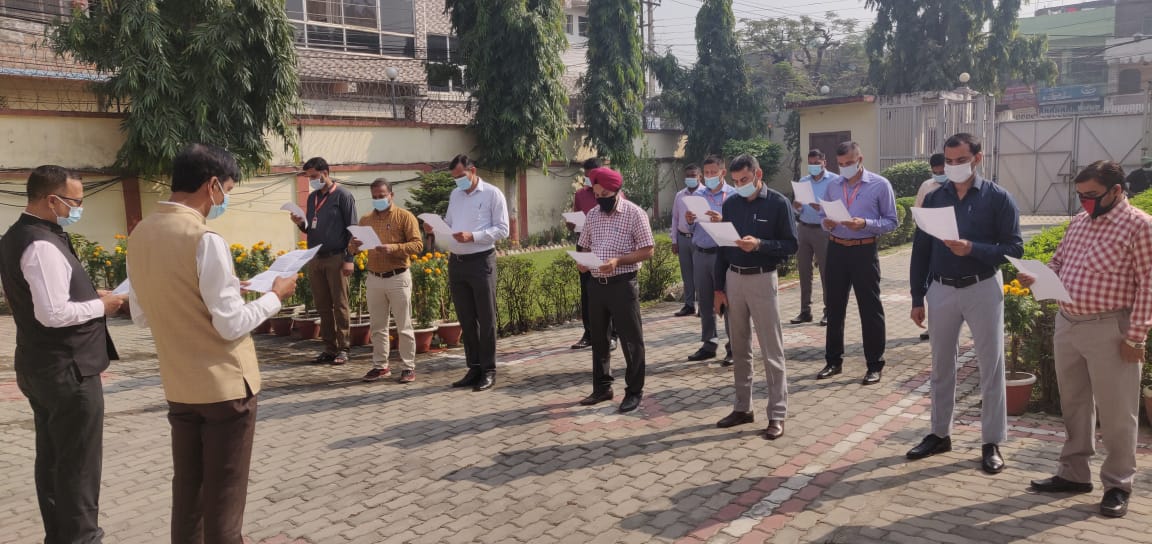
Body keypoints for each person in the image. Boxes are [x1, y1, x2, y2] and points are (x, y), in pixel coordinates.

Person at [127, 144, 297, 543]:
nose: (225, 201)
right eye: (229, 191)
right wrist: (276, 296)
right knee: (224, 497)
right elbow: (231, 324)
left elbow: (141, 314)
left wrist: (212, 292)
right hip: (224, 389)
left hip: (179, 384)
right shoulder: (205, 238)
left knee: (188, 491)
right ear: (213, 185)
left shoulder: (141, 233)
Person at [1020, 160, 1152, 518]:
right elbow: (1060, 262)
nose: (1085, 202)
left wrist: (1136, 337)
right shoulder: (1079, 222)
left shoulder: (1140, 226)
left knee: (1117, 412)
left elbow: (1148, 286)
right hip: (1068, 324)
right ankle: (1074, 473)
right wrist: (1040, 275)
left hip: (1111, 328)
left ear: (1116, 190)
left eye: (1091, 195)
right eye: (1080, 196)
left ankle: (1118, 484)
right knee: (1075, 404)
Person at [0, 165, 124, 544]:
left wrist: (91, 296)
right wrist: (103, 307)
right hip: (67, 370)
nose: (78, 207)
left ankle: (60, 536)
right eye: (75, 201)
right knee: (78, 466)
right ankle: (82, 538)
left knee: (54, 459)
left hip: (44, 366)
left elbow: (49, 298)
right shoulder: (39, 243)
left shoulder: (20, 235)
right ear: (51, 200)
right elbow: (53, 314)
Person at [907, 134, 1022, 475]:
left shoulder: (998, 198)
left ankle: (991, 442)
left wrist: (972, 248)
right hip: (942, 288)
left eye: (961, 160)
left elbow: (1014, 249)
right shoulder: (933, 198)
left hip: (982, 286)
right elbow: (921, 250)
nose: (954, 167)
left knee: (991, 365)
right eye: (949, 161)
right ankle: (939, 433)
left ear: (978, 158)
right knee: (941, 365)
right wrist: (917, 296)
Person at [712, 155, 798, 439]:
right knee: (739, 348)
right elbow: (723, 248)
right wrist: (718, 289)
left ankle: (777, 414)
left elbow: (791, 245)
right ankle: (742, 407)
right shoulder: (731, 204)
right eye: (735, 182)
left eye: (745, 180)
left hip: (762, 278)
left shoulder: (777, 203)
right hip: (733, 279)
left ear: (758, 174)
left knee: (771, 350)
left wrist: (760, 244)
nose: (740, 186)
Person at [817, 141, 898, 385]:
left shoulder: (880, 185)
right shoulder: (832, 185)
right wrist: (827, 223)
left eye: (850, 163)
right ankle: (833, 361)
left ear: (860, 158)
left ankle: (874, 365)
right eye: (841, 164)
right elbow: (823, 215)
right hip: (836, 248)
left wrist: (865, 224)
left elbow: (892, 221)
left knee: (870, 309)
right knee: (834, 307)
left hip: (864, 251)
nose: (845, 168)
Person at [576, 166, 655, 413]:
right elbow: (583, 245)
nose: (600, 200)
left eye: (603, 195)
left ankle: (634, 391)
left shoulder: (635, 214)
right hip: (596, 286)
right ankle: (602, 388)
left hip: (623, 285)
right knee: (599, 340)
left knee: (631, 341)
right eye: (597, 195)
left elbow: (648, 250)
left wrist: (618, 262)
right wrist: (582, 262)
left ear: (616, 190)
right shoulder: (593, 215)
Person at [428, 154, 509, 392]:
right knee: (466, 318)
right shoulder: (455, 195)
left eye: (461, 177)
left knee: (486, 318)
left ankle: (489, 369)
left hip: (481, 260)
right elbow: (451, 223)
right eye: (454, 178)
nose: (458, 182)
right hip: (458, 262)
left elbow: (503, 229)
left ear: (472, 170)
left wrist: (473, 236)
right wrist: (436, 227)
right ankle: (473, 367)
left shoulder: (492, 193)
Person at [349, 178, 423, 384]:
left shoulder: (405, 217)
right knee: (377, 326)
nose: (378, 200)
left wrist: (394, 248)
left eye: (382, 196)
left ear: (391, 195)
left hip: (398, 276)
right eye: (374, 197)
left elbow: (418, 245)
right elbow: (352, 249)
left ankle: (408, 366)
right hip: (374, 277)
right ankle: (380, 366)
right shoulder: (365, 220)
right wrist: (354, 245)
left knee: (404, 324)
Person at [289, 157, 358, 366]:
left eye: (314, 176)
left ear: (325, 173)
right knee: (323, 306)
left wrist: (349, 259)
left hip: (337, 257)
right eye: (309, 177)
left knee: (340, 304)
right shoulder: (312, 199)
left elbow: (352, 230)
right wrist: (301, 224)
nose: (311, 180)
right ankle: (329, 348)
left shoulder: (343, 196)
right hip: (315, 258)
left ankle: (344, 348)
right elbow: (312, 227)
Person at [685, 155, 735, 365]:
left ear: (723, 172)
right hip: (701, 253)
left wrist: (723, 219)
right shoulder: (698, 195)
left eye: (714, 172)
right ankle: (709, 343)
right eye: (706, 173)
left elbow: (740, 225)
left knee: (729, 302)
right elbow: (692, 227)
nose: (709, 176)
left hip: (723, 254)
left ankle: (734, 346)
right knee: (705, 302)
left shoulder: (733, 196)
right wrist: (689, 221)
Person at [569, 157, 618, 351]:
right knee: (587, 291)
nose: (590, 178)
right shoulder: (580, 194)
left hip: (607, 247)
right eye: (587, 175)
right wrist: (571, 222)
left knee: (610, 291)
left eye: (593, 174)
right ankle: (589, 333)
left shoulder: (612, 193)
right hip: (585, 244)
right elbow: (573, 220)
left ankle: (613, 333)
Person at [791, 149, 840, 326]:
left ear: (824, 163)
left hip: (823, 231)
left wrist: (822, 209)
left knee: (827, 272)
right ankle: (805, 311)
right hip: (803, 228)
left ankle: (829, 311)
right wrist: (797, 206)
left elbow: (839, 208)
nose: (813, 166)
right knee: (804, 271)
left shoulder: (834, 181)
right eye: (810, 163)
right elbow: (798, 207)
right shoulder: (803, 181)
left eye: (816, 163)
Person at [914, 153, 948, 341]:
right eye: (935, 172)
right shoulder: (927, 187)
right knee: (930, 286)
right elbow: (917, 212)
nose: (939, 175)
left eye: (942, 172)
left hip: (954, 245)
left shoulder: (958, 187)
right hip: (931, 243)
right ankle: (932, 326)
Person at [670, 163, 702, 317]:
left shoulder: (705, 193)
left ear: (699, 177)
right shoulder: (679, 195)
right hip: (683, 238)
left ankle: (703, 306)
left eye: (693, 175)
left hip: (699, 238)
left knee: (700, 274)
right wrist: (674, 240)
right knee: (687, 274)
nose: (690, 178)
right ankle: (689, 305)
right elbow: (675, 218)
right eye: (688, 176)